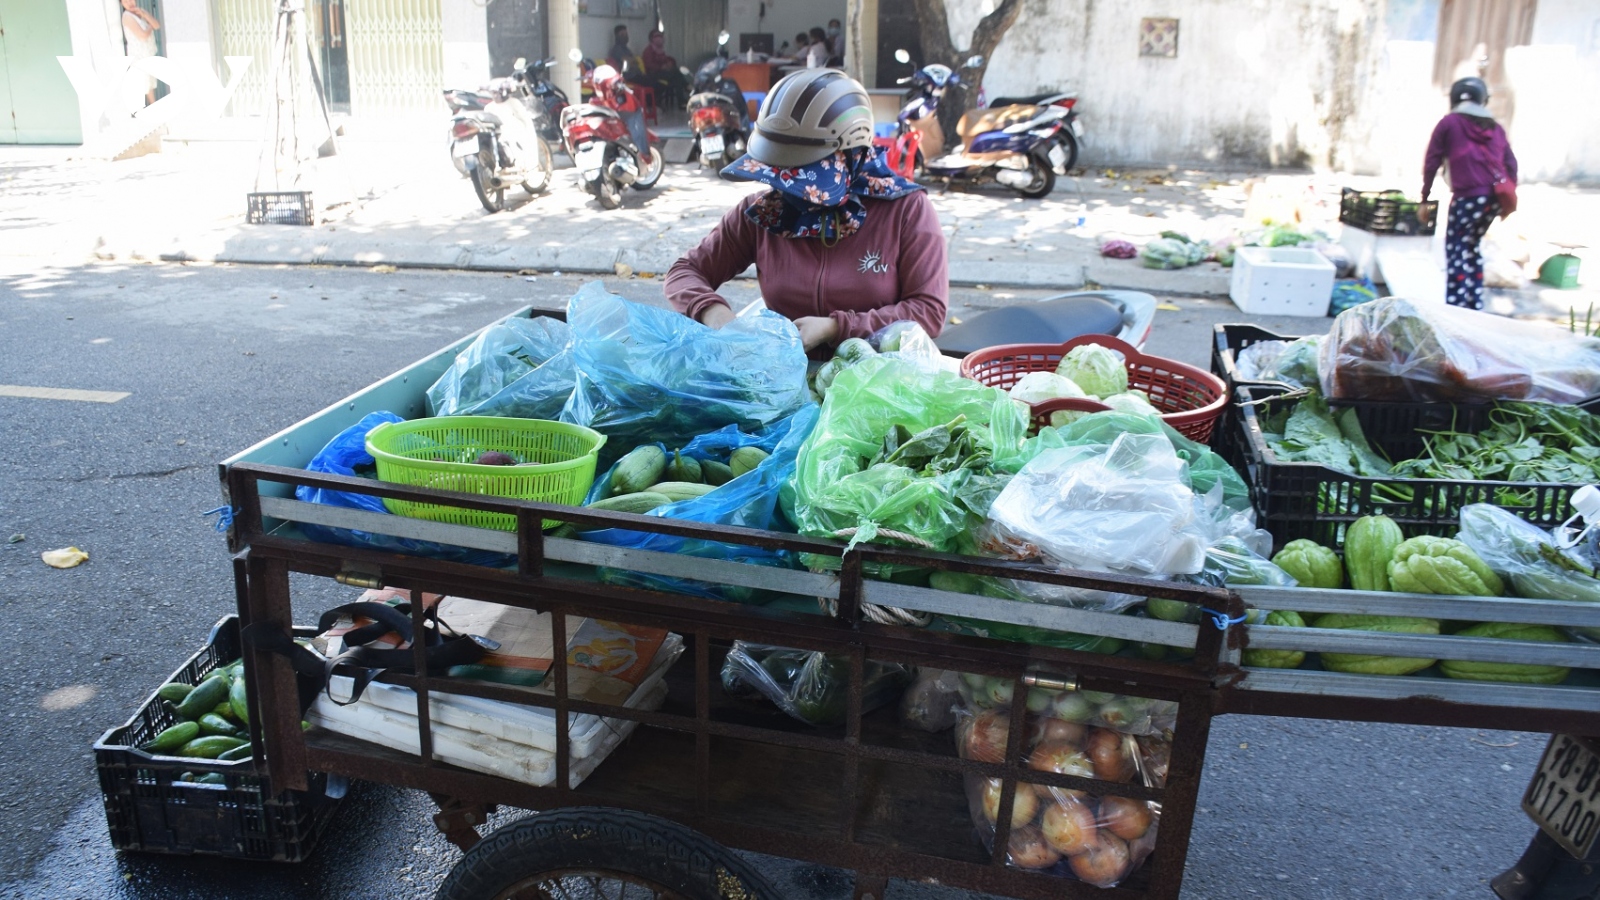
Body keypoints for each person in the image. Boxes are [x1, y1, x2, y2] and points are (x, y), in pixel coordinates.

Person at [666, 69, 947, 353]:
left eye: (803, 174)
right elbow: (685, 271)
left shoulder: (906, 210)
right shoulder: (762, 213)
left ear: (850, 156)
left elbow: (929, 311)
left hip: (880, 381)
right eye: (781, 172)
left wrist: (836, 327)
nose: (789, 187)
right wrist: (713, 312)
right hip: (783, 376)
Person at [1421, 76, 1518, 311]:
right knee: (1472, 247)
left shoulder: (1449, 123)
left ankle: (1454, 310)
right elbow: (1511, 164)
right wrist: (1507, 202)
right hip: (1493, 198)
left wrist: (1424, 198)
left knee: (1456, 249)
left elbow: (1432, 161)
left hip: (1467, 197)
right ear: (1484, 100)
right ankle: (1473, 306)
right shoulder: (1495, 128)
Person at [590, 64, 653, 165]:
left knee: (636, 128)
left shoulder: (620, 91)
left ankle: (644, 154)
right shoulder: (601, 96)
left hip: (623, 109)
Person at [121, 0, 160, 108]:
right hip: (139, 56)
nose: (129, 3)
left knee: (149, 86)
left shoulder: (140, 12)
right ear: (122, 4)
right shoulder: (127, 16)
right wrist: (150, 27)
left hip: (147, 54)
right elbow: (142, 35)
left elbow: (157, 25)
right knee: (144, 86)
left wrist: (144, 14)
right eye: (125, 2)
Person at [640, 29, 689, 107]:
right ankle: (686, 88)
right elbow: (648, 65)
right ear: (652, 39)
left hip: (662, 73)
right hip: (653, 74)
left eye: (660, 36)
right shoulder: (648, 50)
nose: (660, 38)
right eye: (657, 36)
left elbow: (665, 59)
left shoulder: (660, 50)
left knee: (676, 78)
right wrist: (661, 67)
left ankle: (682, 101)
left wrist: (668, 64)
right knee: (676, 72)